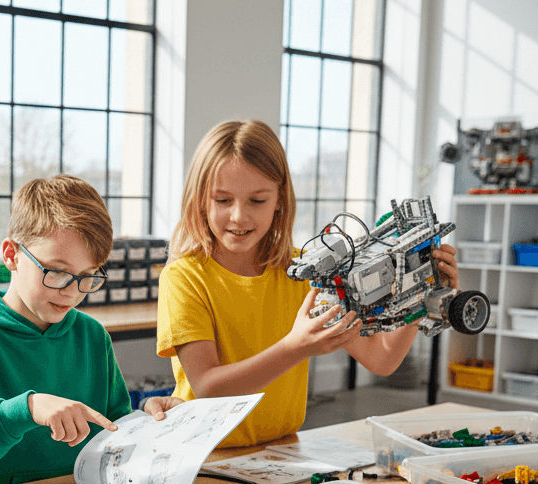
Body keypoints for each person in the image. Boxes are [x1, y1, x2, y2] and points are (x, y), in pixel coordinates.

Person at [156, 119, 459, 448]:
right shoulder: (184, 277)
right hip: (204, 455)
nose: (239, 216)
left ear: (279, 199)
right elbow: (208, 387)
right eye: (222, 200)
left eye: (257, 200)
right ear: (201, 200)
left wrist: (420, 292)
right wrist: (295, 348)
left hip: (282, 451)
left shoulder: (308, 270)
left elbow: (381, 359)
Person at [0, 174, 182, 484]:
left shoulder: (92, 337)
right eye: (57, 272)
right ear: (12, 255)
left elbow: (115, 431)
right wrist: (25, 409)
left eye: (87, 277)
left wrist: (148, 422)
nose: (71, 293)